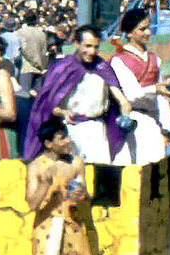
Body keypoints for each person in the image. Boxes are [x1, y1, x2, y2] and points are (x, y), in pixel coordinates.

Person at [23, 116, 91, 255]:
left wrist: (81, 195)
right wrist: (45, 184)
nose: (67, 141)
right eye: (61, 138)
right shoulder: (36, 167)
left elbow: (83, 196)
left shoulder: (75, 163)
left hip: (70, 224)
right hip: (46, 225)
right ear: (48, 143)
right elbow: (32, 204)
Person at [24, 25, 134, 166]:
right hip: (69, 130)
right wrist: (63, 112)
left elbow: (120, 97)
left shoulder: (102, 67)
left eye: (95, 47)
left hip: (96, 129)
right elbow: (49, 105)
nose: (92, 51)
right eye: (87, 46)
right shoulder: (63, 68)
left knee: (98, 170)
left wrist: (125, 108)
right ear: (77, 44)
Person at [108, 8, 170, 166]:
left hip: (153, 121)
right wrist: (154, 89)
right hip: (133, 121)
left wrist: (169, 126)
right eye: (142, 29)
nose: (148, 32)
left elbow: (162, 99)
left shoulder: (155, 59)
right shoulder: (119, 60)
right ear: (130, 33)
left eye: (148, 28)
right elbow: (131, 95)